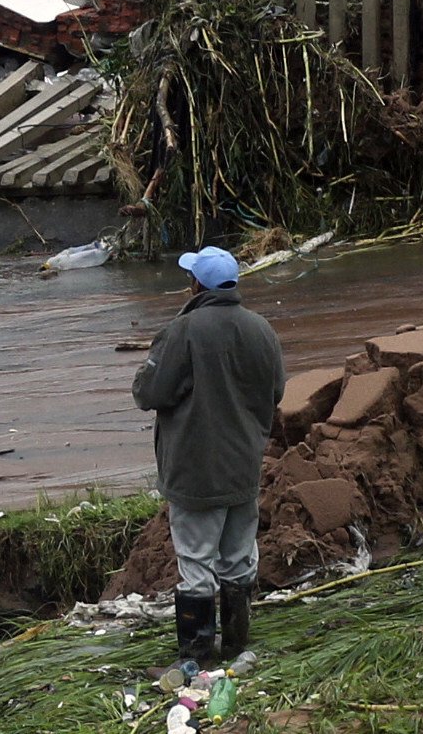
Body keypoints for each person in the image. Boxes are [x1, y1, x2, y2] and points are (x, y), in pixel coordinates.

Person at [131, 245, 286, 674]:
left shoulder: (182, 331)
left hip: (196, 472)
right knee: (238, 559)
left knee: (196, 564)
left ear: (197, 285)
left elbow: (149, 393)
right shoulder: (262, 329)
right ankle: (236, 647)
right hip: (243, 468)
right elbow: (276, 392)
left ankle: (195, 657)